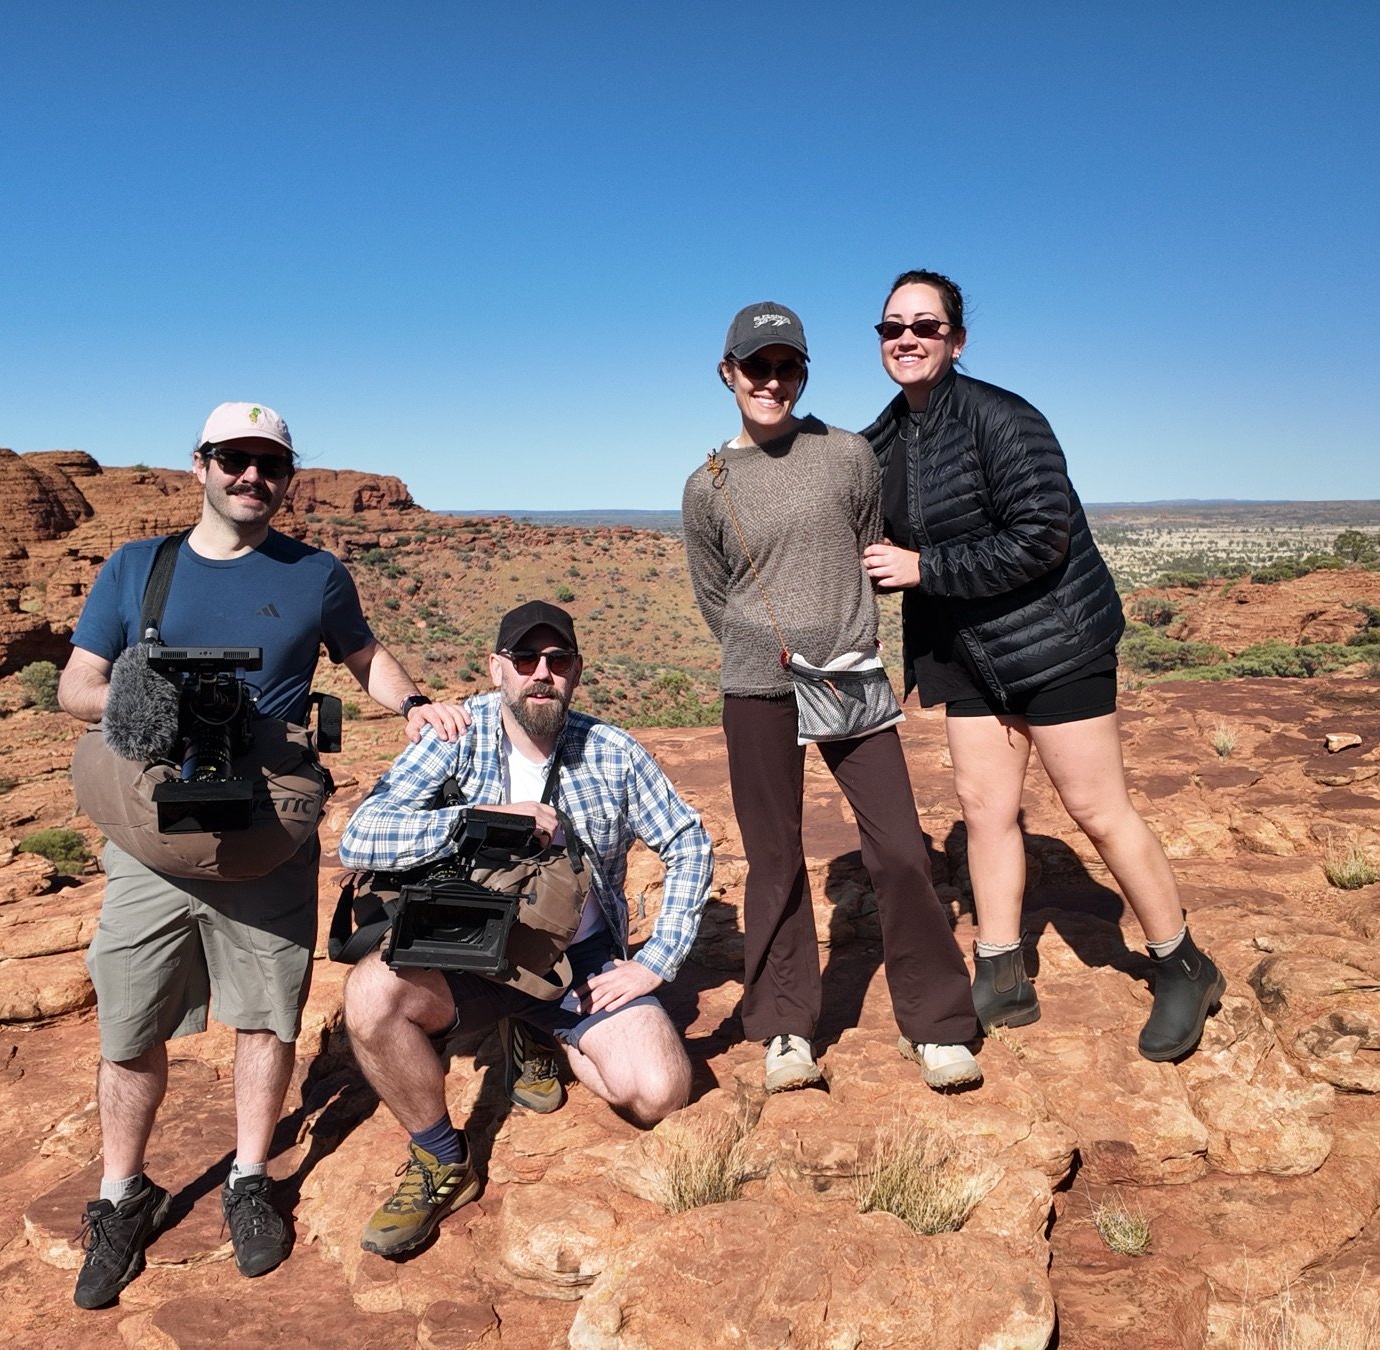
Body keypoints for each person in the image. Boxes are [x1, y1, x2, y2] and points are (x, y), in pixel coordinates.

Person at [57, 401, 468, 1309]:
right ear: (199, 464)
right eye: (235, 459)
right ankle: (121, 1195)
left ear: (286, 477)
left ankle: (250, 1178)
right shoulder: (138, 569)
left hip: (267, 836)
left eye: (270, 464)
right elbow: (77, 683)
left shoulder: (316, 573)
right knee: (128, 1028)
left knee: (267, 1017)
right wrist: (131, 699)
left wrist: (415, 707)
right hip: (152, 840)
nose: (252, 478)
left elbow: (366, 658)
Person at [859, 271, 1225, 1060]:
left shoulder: (1005, 419)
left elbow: (1040, 539)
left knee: (1097, 809)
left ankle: (1184, 966)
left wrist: (925, 570)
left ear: (957, 338)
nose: (907, 339)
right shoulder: (883, 440)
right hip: (965, 652)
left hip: (1056, 640)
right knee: (985, 810)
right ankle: (1001, 970)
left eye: (925, 325)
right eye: (892, 327)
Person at [338, 600, 711, 1259]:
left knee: (661, 1093)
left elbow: (688, 842)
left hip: (577, 955)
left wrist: (659, 959)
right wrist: (475, 818)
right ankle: (441, 1158)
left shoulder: (612, 751)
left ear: (576, 672)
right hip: (465, 946)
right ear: (497, 669)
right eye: (525, 660)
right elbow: (361, 836)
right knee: (369, 998)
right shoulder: (457, 737)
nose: (542, 673)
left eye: (557, 660)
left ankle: (538, 1027)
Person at [682, 302, 981, 1094]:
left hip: (849, 671)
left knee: (899, 848)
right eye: (757, 367)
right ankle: (786, 1027)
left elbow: (864, 543)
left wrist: (840, 621)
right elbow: (716, 596)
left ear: (804, 373)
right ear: (728, 374)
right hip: (758, 681)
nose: (772, 381)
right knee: (774, 856)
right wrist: (762, 639)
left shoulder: (847, 455)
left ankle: (939, 1023)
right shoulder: (706, 485)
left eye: (787, 367)